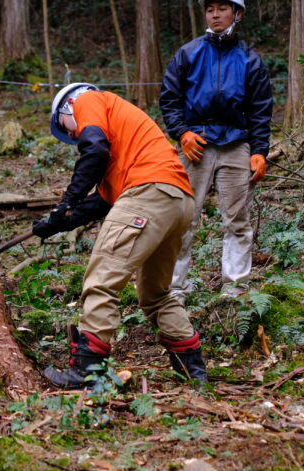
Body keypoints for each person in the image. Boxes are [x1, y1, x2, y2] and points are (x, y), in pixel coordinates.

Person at [33, 83, 208, 388]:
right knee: (156, 295)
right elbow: (101, 202)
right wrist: (59, 221)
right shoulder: (124, 145)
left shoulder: (87, 100)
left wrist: (67, 201)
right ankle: (193, 371)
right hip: (177, 201)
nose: (74, 136)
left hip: (147, 194)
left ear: (67, 107)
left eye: (68, 129)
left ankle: (87, 373)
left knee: (101, 281)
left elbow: (94, 147)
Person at [160, 0, 273, 303]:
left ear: (237, 13)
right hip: (195, 144)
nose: (215, 14)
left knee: (237, 219)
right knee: (183, 218)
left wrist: (260, 151)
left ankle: (235, 288)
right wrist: (182, 132)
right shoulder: (188, 53)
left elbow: (261, 110)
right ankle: (174, 290)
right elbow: (169, 98)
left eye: (223, 8)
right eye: (210, 8)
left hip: (237, 144)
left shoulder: (250, 61)